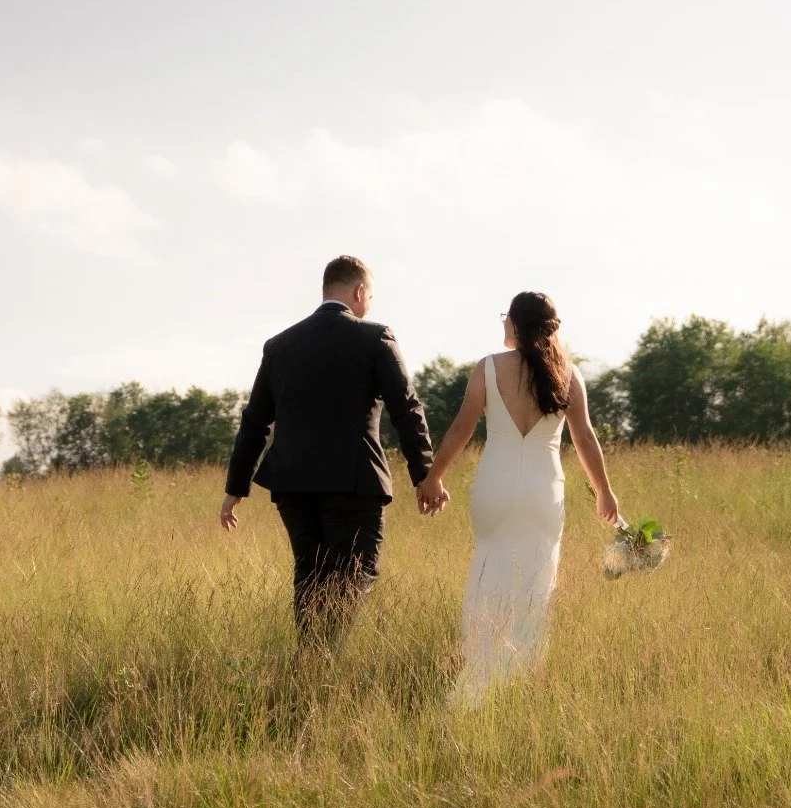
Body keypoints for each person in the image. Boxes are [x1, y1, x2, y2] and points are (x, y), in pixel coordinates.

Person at [221, 255, 443, 650]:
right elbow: (406, 410)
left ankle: (311, 661)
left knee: (310, 575)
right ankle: (325, 660)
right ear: (359, 292)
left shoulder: (280, 345)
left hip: (293, 485)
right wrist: (424, 474)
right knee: (355, 573)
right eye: (369, 296)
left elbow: (255, 421)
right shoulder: (375, 337)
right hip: (353, 482)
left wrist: (236, 487)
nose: (369, 305)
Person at [417, 291, 621, 706]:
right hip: (545, 491)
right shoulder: (568, 373)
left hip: (496, 484)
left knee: (488, 572)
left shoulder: (488, 368)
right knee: (536, 583)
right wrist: (604, 491)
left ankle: (478, 677)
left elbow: (461, 428)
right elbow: (584, 437)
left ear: (515, 323)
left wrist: (433, 477)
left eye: (505, 318)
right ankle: (517, 683)